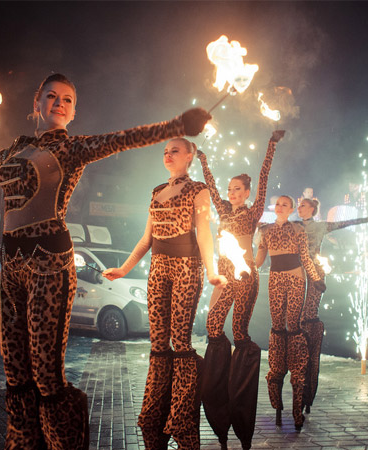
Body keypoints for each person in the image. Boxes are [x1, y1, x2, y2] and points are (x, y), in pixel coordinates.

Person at [0, 73, 212, 450]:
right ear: (36, 103)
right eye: (51, 96)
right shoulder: (12, 150)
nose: (58, 103)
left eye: (67, 99)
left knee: (45, 375)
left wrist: (177, 126)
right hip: (11, 265)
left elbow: (123, 138)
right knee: (15, 373)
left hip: (48, 264)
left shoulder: (72, 148)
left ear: (73, 112)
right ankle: (22, 443)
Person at [103, 137, 227, 450]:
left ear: (190, 156)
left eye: (174, 150)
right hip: (158, 269)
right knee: (158, 343)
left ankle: (181, 417)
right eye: (165, 151)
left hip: (186, 266)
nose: (168, 154)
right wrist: (124, 268)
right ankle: (154, 414)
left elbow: (204, 234)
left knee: (180, 342)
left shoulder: (198, 190)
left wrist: (211, 270)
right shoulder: (157, 191)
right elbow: (146, 239)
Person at [196, 130, 285, 450]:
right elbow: (210, 184)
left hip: (246, 276)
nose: (232, 193)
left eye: (238, 189)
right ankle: (220, 409)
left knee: (239, 333)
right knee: (212, 328)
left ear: (247, 192)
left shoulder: (254, 210)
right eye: (230, 188)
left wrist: (270, 144)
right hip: (225, 275)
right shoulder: (222, 208)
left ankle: (241, 414)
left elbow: (264, 176)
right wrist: (203, 159)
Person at [296, 198, 368, 413]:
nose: (300, 208)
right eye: (299, 206)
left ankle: (308, 380)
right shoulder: (292, 226)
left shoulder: (321, 225)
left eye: (303, 206)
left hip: (314, 274)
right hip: (295, 274)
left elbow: (348, 223)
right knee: (297, 319)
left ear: (312, 209)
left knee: (309, 318)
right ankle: (299, 373)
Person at [255, 195, 325, 431]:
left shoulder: (297, 230)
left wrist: (315, 279)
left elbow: (305, 256)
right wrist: (241, 266)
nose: (281, 207)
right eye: (278, 204)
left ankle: (297, 405)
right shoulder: (265, 231)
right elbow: (259, 260)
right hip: (275, 279)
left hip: (296, 278)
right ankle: (276, 392)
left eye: (286, 204)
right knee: (277, 327)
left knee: (293, 328)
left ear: (292, 209)